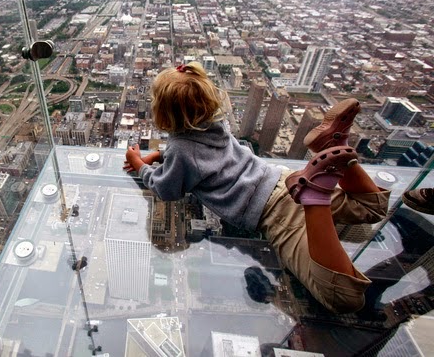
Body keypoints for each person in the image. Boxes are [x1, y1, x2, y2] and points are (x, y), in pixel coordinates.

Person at [123, 62, 390, 313]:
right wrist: (161, 156)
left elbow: (167, 188)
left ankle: (315, 197)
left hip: (276, 214)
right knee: (372, 210)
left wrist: (140, 165)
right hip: (282, 179)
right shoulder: (214, 126)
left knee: (344, 297)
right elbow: (194, 157)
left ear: (163, 112)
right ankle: (332, 144)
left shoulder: (181, 150)